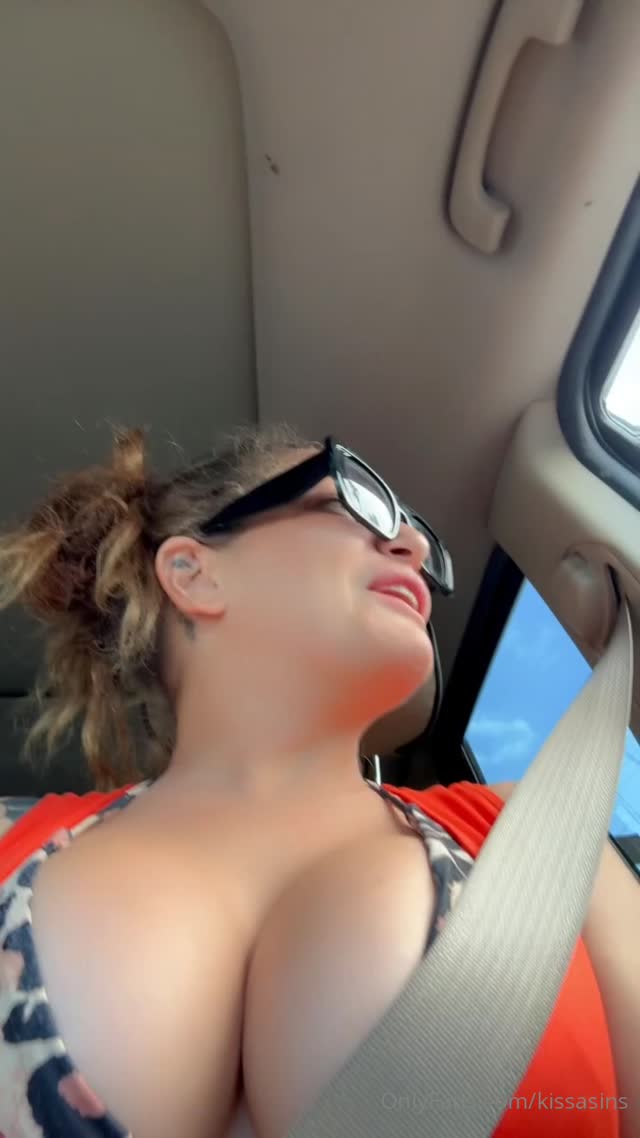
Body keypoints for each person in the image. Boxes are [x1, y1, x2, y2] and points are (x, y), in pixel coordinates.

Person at [0, 424, 636, 1138]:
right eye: (358, 498)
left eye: (413, 531)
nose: (414, 546)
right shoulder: (7, 837)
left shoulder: (542, 829)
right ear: (194, 573)